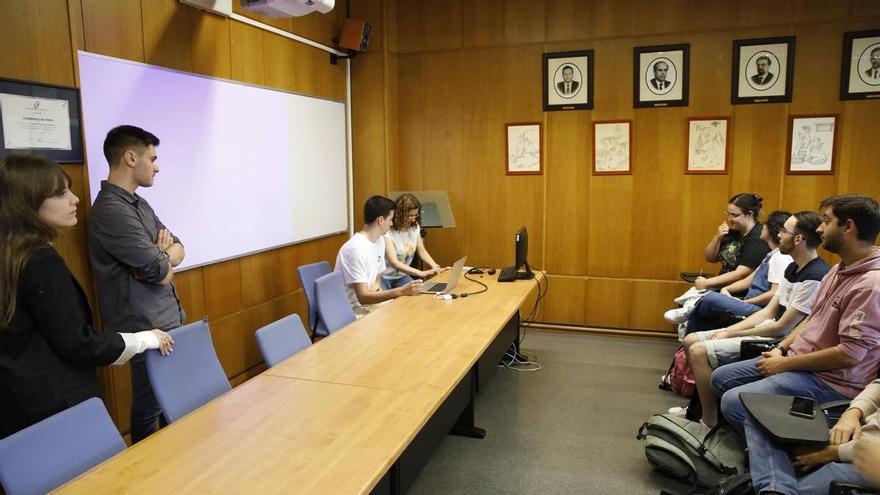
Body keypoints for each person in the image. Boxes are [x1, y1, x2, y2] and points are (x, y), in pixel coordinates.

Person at [710, 195, 880, 495]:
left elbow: (849, 355)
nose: (820, 229)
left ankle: (774, 485)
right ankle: (780, 453)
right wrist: (782, 349)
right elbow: (810, 320)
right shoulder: (840, 270)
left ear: (849, 227)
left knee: (741, 404)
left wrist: (784, 364)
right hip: (800, 363)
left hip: (831, 382)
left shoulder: (870, 284)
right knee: (723, 381)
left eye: (827, 221)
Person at [0, 154, 173, 439]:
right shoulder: (40, 261)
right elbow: (77, 342)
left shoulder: (14, 257)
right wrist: (144, 339)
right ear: (27, 205)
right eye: (60, 193)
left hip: (19, 409)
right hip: (56, 410)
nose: (75, 199)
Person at [681, 211, 830, 427]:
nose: (779, 235)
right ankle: (700, 412)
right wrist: (730, 332)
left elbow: (782, 327)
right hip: (767, 327)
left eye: (784, 231)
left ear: (798, 239)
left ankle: (708, 421)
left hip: (779, 340)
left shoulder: (815, 276)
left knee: (698, 349)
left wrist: (732, 333)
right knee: (691, 339)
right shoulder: (792, 267)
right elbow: (768, 313)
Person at [88, 125, 186, 443]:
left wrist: (161, 254)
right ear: (131, 157)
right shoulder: (110, 210)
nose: (157, 166)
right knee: (148, 411)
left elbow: (180, 249)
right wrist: (159, 260)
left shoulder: (139, 204)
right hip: (144, 327)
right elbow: (159, 272)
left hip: (166, 318)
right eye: (152, 158)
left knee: (169, 406)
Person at [667, 210, 792, 331]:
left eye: (765, 223)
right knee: (708, 299)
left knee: (710, 298)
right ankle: (691, 316)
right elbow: (748, 280)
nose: (762, 226)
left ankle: (692, 309)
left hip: (758, 309)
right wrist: (726, 289)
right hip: (749, 303)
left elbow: (774, 294)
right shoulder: (771, 255)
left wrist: (744, 301)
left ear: (772, 229)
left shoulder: (781, 258)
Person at [336, 195, 424, 316]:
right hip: (355, 308)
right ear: (381, 220)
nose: (392, 223)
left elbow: (377, 275)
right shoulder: (355, 249)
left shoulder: (379, 240)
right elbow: (363, 298)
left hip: (370, 304)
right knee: (402, 318)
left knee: (412, 310)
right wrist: (401, 291)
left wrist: (377, 284)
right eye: (390, 219)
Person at [693, 193, 771, 291]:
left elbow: (742, 273)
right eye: (728, 214)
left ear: (750, 215)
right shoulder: (733, 231)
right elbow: (710, 258)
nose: (729, 219)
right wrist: (717, 238)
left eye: (734, 215)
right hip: (721, 287)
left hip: (739, 292)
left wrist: (707, 283)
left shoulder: (758, 237)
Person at [381, 193, 448, 290]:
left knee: (419, 295)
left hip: (401, 276)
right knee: (385, 303)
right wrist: (421, 273)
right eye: (409, 216)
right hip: (384, 277)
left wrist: (435, 266)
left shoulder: (415, 227)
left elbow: (422, 250)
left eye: (415, 215)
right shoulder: (387, 230)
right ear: (399, 214)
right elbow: (393, 262)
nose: (413, 219)